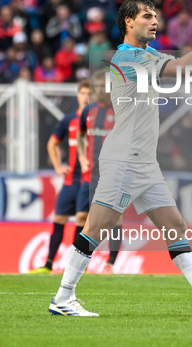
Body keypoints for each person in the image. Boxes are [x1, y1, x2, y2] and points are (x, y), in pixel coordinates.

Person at [48, 0, 192, 317]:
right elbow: (184, 68)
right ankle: (63, 297)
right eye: (146, 16)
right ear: (128, 22)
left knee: (174, 224)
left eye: (155, 16)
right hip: (125, 156)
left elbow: (185, 67)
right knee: (97, 228)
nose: (154, 21)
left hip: (144, 161)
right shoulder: (129, 59)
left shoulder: (148, 55)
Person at [29, 82, 89, 273]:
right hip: (71, 178)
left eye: (89, 94)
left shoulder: (99, 120)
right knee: (60, 218)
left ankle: (76, 265)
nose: (86, 97)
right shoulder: (69, 120)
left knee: (81, 218)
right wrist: (57, 166)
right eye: (83, 93)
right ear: (78, 96)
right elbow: (52, 143)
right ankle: (48, 264)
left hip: (90, 179)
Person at [76, 70, 122, 274]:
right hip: (92, 174)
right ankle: (81, 262)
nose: (101, 90)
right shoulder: (89, 111)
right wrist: (82, 158)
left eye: (105, 86)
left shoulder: (121, 110)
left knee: (114, 219)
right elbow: (80, 136)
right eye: (98, 87)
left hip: (114, 175)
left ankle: (110, 264)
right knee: (83, 218)